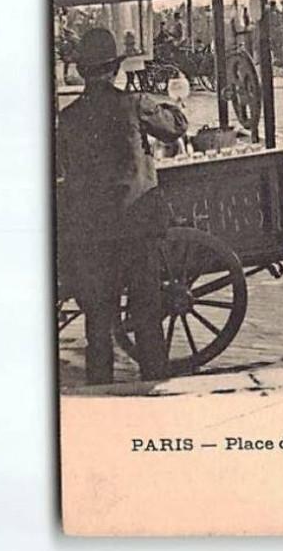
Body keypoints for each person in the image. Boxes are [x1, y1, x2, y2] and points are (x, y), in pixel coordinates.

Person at [56, 28, 187, 384]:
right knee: (146, 314)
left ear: (83, 72)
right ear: (115, 70)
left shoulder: (67, 118)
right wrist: (165, 97)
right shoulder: (135, 103)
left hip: (90, 229)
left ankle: (99, 390)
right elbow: (176, 127)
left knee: (97, 319)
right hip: (136, 225)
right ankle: (154, 382)